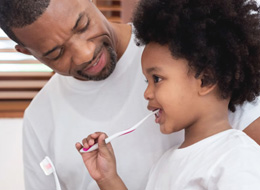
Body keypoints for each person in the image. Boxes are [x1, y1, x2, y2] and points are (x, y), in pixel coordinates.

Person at [0, 0, 260, 189]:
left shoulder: (179, 45)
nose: (84, 54)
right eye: (56, 53)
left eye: (82, 26)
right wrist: (108, 180)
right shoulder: (165, 166)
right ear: (26, 52)